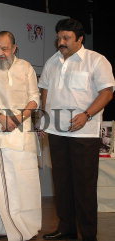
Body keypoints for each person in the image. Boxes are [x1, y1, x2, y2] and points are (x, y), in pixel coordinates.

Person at [39, 18, 115, 241]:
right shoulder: (52, 62)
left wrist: (87, 114)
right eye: (59, 37)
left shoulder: (96, 61)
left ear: (80, 39)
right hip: (56, 132)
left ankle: (89, 234)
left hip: (84, 133)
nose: (60, 42)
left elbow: (107, 92)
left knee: (84, 186)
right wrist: (44, 118)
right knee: (61, 184)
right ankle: (66, 228)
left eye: (66, 38)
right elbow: (45, 91)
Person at [0, 31, 41, 241]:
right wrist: (1, 117)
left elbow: (34, 98)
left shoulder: (26, 67)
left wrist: (19, 118)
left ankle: (26, 225)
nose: (0, 53)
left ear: (14, 48)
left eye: (4, 48)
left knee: (24, 180)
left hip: (21, 134)